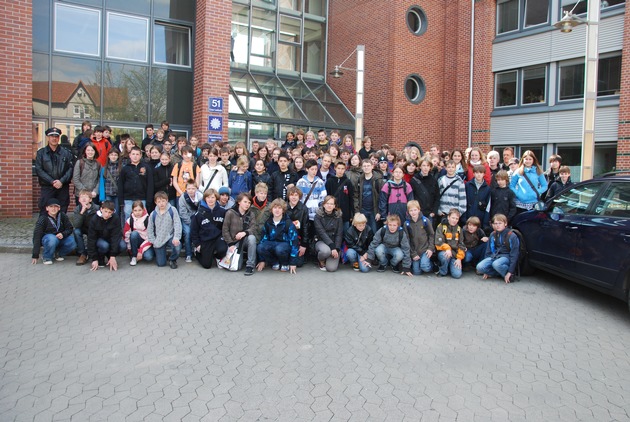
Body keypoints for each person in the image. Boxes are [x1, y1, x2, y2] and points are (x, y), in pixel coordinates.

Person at [35, 127, 75, 214]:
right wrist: (52, 181)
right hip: (47, 187)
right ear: (48, 138)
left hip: (62, 187)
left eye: (56, 136)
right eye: (52, 136)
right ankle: (45, 227)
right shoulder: (41, 153)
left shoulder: (66, 153)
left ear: (59, 138)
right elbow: (39, 169)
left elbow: (71, 169)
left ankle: (60, 227)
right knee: (45, 211)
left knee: (62, 210)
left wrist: (61, 181)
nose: (54, 138)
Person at [256, 198, 300, 274]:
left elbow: (294, 243)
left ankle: (284, 263)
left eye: (280, 208)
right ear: (271, 210)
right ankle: (274, 262)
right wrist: (262, 260)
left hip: (285, 247)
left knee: (279, 248)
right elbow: (263, 240)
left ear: (283, 210)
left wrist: (293, 263)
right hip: (273, 245)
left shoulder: (288, 223)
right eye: (275, 208)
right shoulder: (268, 223)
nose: (277, 210)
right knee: (260, 247)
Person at [476, 214, 519, 283]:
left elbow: (514, 255)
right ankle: (497, 273)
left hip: (507, 257)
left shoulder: (512, 236)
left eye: (500, 223)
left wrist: (510, 271)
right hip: (495, 256)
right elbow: (488, 251)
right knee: (479, 267)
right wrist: (486, 270)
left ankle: (509, 274)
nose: (497, 225)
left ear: (505, 224)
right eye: (495, 223)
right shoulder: (493, 234)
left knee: (496, 264)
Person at [31, 198, 76, 265]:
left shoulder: (62, 215)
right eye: (51, 206)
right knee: (52, 239)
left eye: (56, 206)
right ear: (47, 208)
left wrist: (63, 234)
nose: (53, 209)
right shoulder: (43, 218)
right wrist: (35, 255)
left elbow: (69, 228)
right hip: (48, 239)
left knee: (73, 241)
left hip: (60, 238)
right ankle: (46, 257)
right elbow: (37, 235)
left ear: (59, 208)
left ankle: (58, 254)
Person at [190, 189, 227, 269]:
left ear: (216, 198)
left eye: (212, 197)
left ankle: (217, 257)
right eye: (208, 197)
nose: (210, 200)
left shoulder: (222, 211)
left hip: (218, 238)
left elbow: (225, 227)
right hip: (205, 239)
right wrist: (197, 244)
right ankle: (197, 252)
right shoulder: (199, 214)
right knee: (207, 265)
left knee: (223, 249)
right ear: (205, 199)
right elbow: (194, 231)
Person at [223, 192, 258, 275]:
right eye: (245, 202)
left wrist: (245, 233)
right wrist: (230, 244)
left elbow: (253, 228)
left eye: (249, 202)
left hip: (245, 240)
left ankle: (250, 265)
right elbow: (225, 230)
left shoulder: (251, 214)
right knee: (235, 268)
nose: (247, 204)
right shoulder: (230, 213)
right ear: (239, 202)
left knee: (252, 238)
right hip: (234, 242)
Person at [147, 191, 182, 269]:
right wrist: (153, 241)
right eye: (159, 201)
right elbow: (150, 229)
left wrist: (176, 237)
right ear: (155, 202)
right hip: (159, 239)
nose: (161, 203)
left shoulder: (172, 210)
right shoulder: (153, 214)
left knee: (177, 246)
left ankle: (172, 259)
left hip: (170, 236)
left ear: (167, 200)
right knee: (161, 264)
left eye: (163, 201)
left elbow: (177, 224)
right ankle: (163, 254)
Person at [118, 146, 154, 221]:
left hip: (142, 198)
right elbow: (121, 184)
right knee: (128, 219)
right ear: (130, 155)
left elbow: (150, 185)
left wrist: (149, 200)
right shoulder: (125, 169)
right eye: (133, 154)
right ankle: (128, 233)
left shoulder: (146, 168)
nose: (135, 156)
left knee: (143, 220)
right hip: (128, 199)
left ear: (141, 155)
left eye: (137, 154)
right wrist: (121, 201)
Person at [87, 200, 122, 271]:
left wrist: (112, 255)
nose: (107, 214)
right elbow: (91, 239)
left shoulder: (116, 218)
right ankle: (100, 257)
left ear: (113, 212)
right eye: (105, 211)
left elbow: (116, 237)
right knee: (104, 245)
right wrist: (94, 259)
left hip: (110, 239)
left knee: (122, 245)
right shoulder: (94, 219)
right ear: (101, 209)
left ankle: (110, 257)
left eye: (110, 212)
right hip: (99, 241)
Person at [313, 195, 344, 272]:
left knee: (331, 268)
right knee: (326, 251)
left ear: (334, 206)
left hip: (334, 243)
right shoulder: (318, 216)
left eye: (331, 204)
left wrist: (336, 248)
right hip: (321, 241)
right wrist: (332, 247)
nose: (329, 205)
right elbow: (321, 233)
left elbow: (339, 234)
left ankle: (329, 258)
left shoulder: (338, 217)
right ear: (324, 204)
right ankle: (321, 260)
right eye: (327, 203)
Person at [354, 159, 384, 234]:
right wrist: (357, 211)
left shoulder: (378, 180)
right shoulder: (359, 180)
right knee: (363, 232)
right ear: (362, 167)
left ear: (372, 167)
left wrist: (379, 212)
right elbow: (355, 196)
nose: (366, 168)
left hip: (374, 211)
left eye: (368, 166)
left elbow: (382, 197)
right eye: (364, 166)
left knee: (374, 232)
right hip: (363, 210)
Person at [434, 208, 466, 279]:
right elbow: (438, 242)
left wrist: (459, 258)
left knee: (457, 275)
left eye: (456, 219)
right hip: (444, 252)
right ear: (448, 217)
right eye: (453, 218)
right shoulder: (441, 227)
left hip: (454, 254)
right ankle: (443, 271)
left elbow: (461, 244)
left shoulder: (459, 229)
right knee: (445, 257)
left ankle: (449, 266)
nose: (454, 220)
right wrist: (447, 248)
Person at [406, 201, 435, 275]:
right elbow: (407, 240)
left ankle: (433, 265)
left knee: (425, 267)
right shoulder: (407, 224)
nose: (413, 212)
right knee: (416, 272)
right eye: (411, 210)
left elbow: (431, 235)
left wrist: (430, 248)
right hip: (415, 251)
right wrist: (413, 253)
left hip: (425, 250)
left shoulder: (425, 221)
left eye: (415, 210)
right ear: (408, 212)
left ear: (419, 210)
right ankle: (422, 262)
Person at [72, 189, 100, 266]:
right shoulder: (77, 209)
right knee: (76, 231)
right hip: (83, 228)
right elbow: (76, 225)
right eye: (81, 197)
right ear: (79, 199)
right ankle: (83, 254)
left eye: (86, 197)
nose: (84, 199)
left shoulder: (97, 208)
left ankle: (95, 253)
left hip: (94, 229)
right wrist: (82, 212)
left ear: (90, 199)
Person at [325, 160, 355, 233]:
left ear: (345, 169)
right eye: (338, 168)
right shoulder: (330, 181)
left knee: (345, 233)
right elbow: (327, 196)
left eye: (342, 169)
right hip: (333, 212)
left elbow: (351, 198)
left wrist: (352, 214)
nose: (340, 171)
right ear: (335, 168)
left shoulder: (347, 182)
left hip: (345, 213)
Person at [122, 200, 154, 266]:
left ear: (143, 209)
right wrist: (129, 249)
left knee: (148, 257)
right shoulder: (130, 220)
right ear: (132, 211)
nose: (137, 212)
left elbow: (151, 238)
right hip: (136, 240)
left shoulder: (148, 220)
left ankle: (141, 253)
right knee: (134, 234)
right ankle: (134, 256)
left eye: (139, 210)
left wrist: (140, 251)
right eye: (135, 210)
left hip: (147, 242)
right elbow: (126, 235)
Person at [178, 179, 202, 263]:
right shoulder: (183, 198)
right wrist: (191, 223)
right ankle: (188, 254)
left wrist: (196, 223)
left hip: (197, 220)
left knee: (200, 232)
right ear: (186, 189)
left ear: (196, 189)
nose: (191, 191)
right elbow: (182, 213)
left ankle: (198, 250)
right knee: (188, 233)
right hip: (187, 220)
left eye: (193, 188)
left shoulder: (200, 197)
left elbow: (201, 211)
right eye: (189, 189)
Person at [285, 186, 310, 267]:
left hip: (298, 239)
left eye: (296, 195)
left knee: (298, 263)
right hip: (285, 238)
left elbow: (306, 228)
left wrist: (304, 245)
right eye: (292, 195)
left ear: (299, 197)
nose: (294, 197)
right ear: (288, 196)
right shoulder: (283, 207)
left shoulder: (303, 208)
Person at [410, 158, 439, 225]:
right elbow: (412, 197)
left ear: (430, 167)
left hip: (430, 213)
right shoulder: (414, 180)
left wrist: (434, 211)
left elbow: (437, 196)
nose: (426, 168)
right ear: (420, 166)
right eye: (424, 165)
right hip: (417, 212)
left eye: (428, 166)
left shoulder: (433, 180)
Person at [464, 165, 491, 229]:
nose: (479, 175)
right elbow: (464, 201)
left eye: (481, 173)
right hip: (468, 215)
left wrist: (485, 222)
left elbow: (488, 206)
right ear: (473, 174)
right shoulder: (468, 185)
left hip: (480, 217)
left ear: (484, 174)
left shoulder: (487, 188)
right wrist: (464, 218)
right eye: (477, 173)